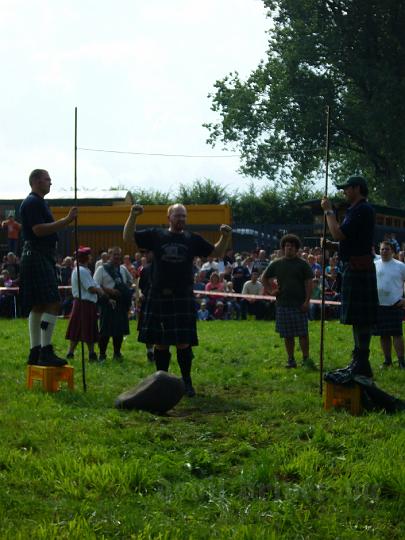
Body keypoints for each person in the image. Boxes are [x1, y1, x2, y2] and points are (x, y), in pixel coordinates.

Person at [123, 203, 232, 396]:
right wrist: (133, 215)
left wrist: (225, 236)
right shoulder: (156, 235)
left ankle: (187, 381)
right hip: (160, 295)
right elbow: (128, 237)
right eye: (177, 215)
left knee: (183, 342)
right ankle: (161, 381)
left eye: (184, 216)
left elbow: (216, 252)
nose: (181, 219)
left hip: (182, 295)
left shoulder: (192, 238)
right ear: (169, 218)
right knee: (160, 342)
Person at [321, 175, 378, 378]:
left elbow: (338, 233)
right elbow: (352, 241)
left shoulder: (362, 209)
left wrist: (328, 211)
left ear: (357, 188)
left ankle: (362, 362)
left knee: (361, 319)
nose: (344, 191)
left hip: (358, 269)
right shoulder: (356, 210)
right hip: (354, 267)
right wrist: (334, 246)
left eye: (347, 188)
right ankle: (358, 361)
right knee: (357, 318)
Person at [19, 169, 78, 366]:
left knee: (38, 305)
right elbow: (38, 230)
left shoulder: (38, 202)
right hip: (37, 255)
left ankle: (35, 352)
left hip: (37, 255)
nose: (50, 182)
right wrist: (66, 221)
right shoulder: (33, 202)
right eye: (47, 179)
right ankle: (45, 351)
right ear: (36, 181)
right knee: (52, 302)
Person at [261, 234, 314, 368]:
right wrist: (271, 291)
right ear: (283, 248)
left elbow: (309, 283)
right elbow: (264, 278)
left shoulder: (303, 264)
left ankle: (306, 359)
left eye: (292, 246)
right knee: (287, 335)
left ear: (296, 248)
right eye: (287, 245)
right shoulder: (277, 263)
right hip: (283, 304)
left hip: (299, 304)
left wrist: (307, 301)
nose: (289, 248)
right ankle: (291, 360)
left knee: (303, 334)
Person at [65, 247, 106, 361]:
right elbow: (91, 288)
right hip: (84, 303)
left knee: (84, 329)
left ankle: (85, 353)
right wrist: (100, 291)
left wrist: (100, 290)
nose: (91, 257)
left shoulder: (84, 270)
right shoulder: (81, 270)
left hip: (84, 303)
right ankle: (76, 353)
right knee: (83, 329)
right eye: (89, 255)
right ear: (85, 257)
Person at [93, 246, 133, 361]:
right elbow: (95, 284)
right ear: (109, 256)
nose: (117, 256)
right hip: (107, 301)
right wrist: (109, 290)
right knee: (105, 330)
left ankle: (117, 353)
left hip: (120, 302)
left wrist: (124, 290)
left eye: (118, 254)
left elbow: (130, 281)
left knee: (119, 330)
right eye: (114, 254)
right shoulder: (102, 269)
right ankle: (102, 354)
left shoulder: (123, 269)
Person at [373, 241, 405, 369]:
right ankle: (387, 361)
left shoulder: (400, 266)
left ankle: (401, 361)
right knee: (383, 335)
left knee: (397, 334)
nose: (384, 251)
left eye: (387, 249)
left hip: (395, 304)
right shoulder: (375, 265)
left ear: (392, 251)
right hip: (379, 305)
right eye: (382, 249)